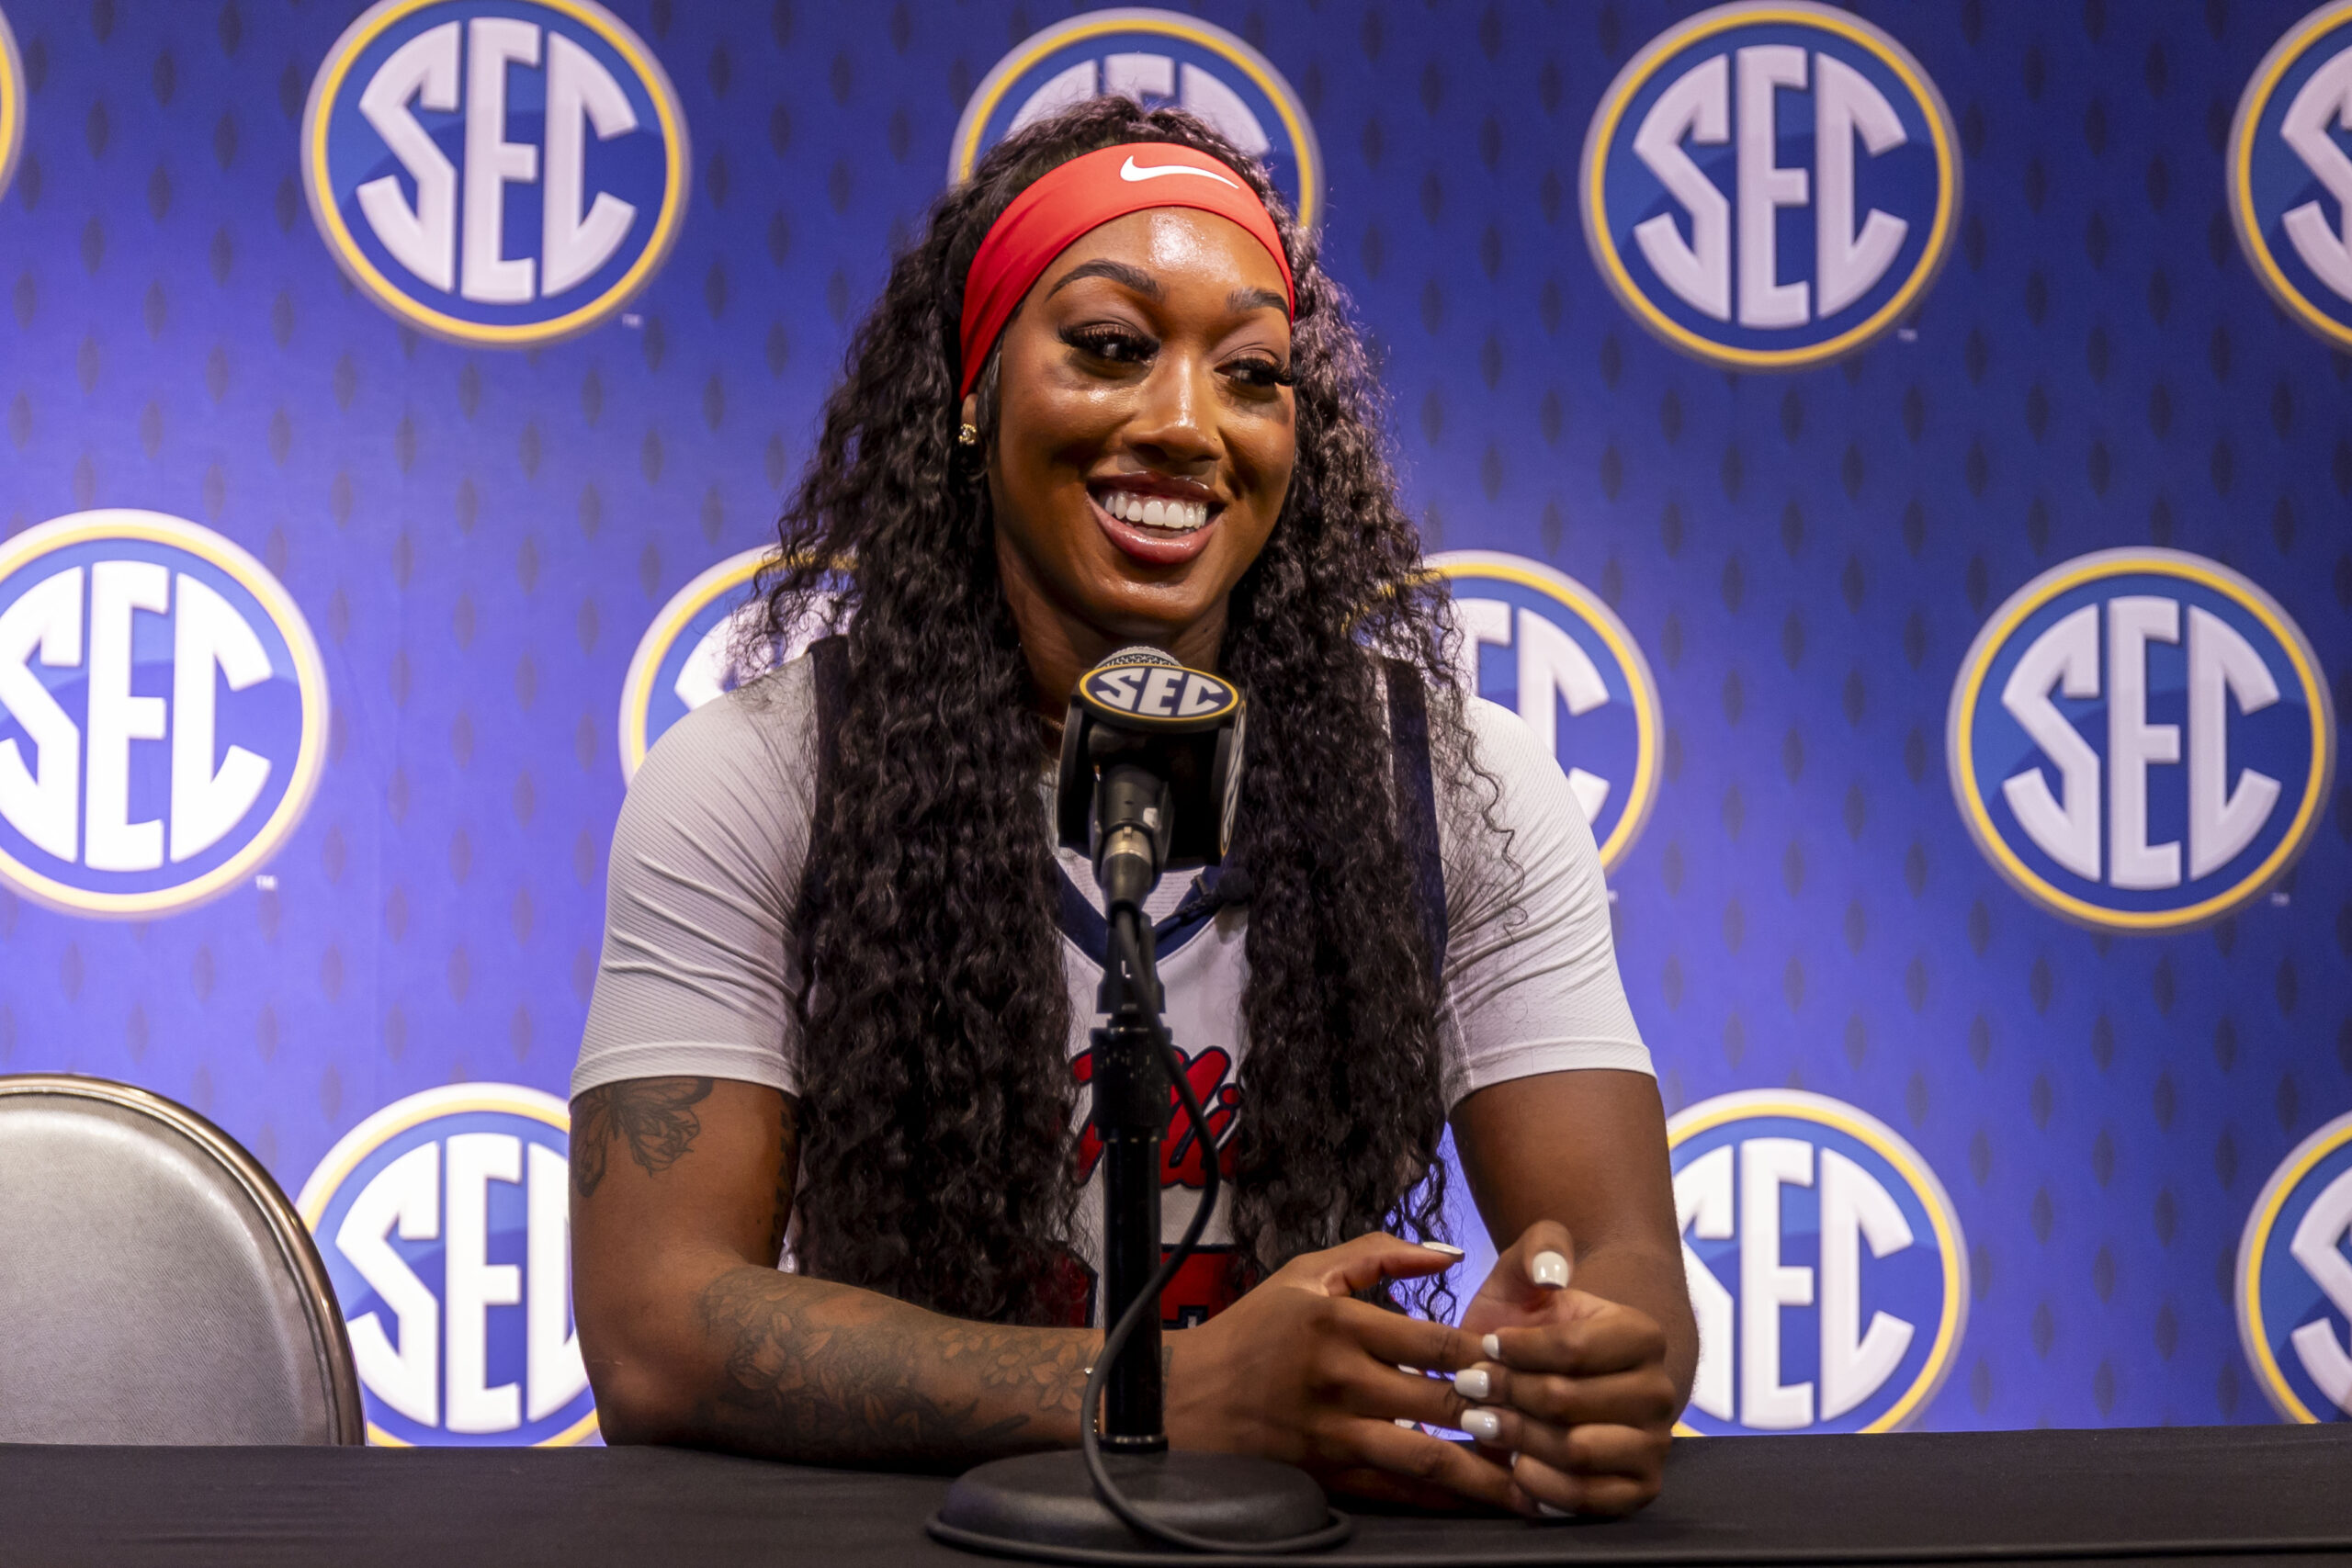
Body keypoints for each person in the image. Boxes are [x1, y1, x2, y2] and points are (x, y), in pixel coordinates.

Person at [569, 98, 1695, 1519]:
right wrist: (1169, 1393)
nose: (1184, 424)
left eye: (1251, 374)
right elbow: (654, 1331)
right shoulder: (764, 773)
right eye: (1110, 348)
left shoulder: (1452, 783)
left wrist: (1581, 1351)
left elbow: (1616, 1252)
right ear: (973, 393)